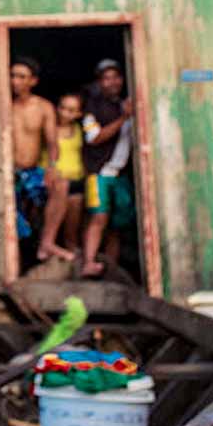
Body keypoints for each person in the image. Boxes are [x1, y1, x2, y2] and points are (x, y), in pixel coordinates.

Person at [10, 57, 74, 262]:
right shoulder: (4, 106)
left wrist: (52, 167)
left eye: (21, 76)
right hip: (9, 172)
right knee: (16, 223)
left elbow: (52, 143)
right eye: (13, 75)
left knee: (61, 186)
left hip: (32, 171)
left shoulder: (43, 107)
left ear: (33, 81)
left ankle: (47, 242)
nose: (15, 81)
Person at [81, 58, 136, 277]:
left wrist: (126, 113)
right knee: (99, 218)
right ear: (99, 82)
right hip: (99, 174)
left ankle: (110, 267)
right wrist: (124, 117)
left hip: (121, 175)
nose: (112, 82)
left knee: (117, 223)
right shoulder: (91, 108)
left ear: (122, 80)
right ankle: (88, 262)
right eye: (106, 78)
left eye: (116, 77)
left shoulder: (126, 104)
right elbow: (94, 138)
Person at [50, 93, 87, 252]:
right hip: (55, 183)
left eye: (71, 110)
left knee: (73, 226)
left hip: (77, 180)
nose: (64, 113)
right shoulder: (49, 128)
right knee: (52, 224)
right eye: (62, 108)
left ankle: (71, 256)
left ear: (79, 114)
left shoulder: (80, 129)